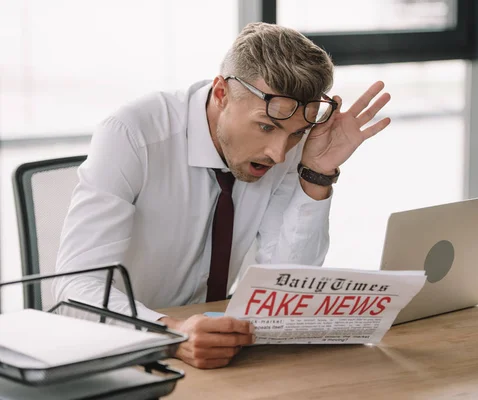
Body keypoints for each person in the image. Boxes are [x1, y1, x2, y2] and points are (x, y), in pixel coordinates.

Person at [52, 22, 391, 369]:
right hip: (126, 353)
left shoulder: (288, 146)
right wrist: (171, 335)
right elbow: (75, 290)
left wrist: (316, 174)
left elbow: (285, 286)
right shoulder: (133, 134)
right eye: (265, 127)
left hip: (219, 354)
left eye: (296, 134)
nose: (278, 153)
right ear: (220, 94)